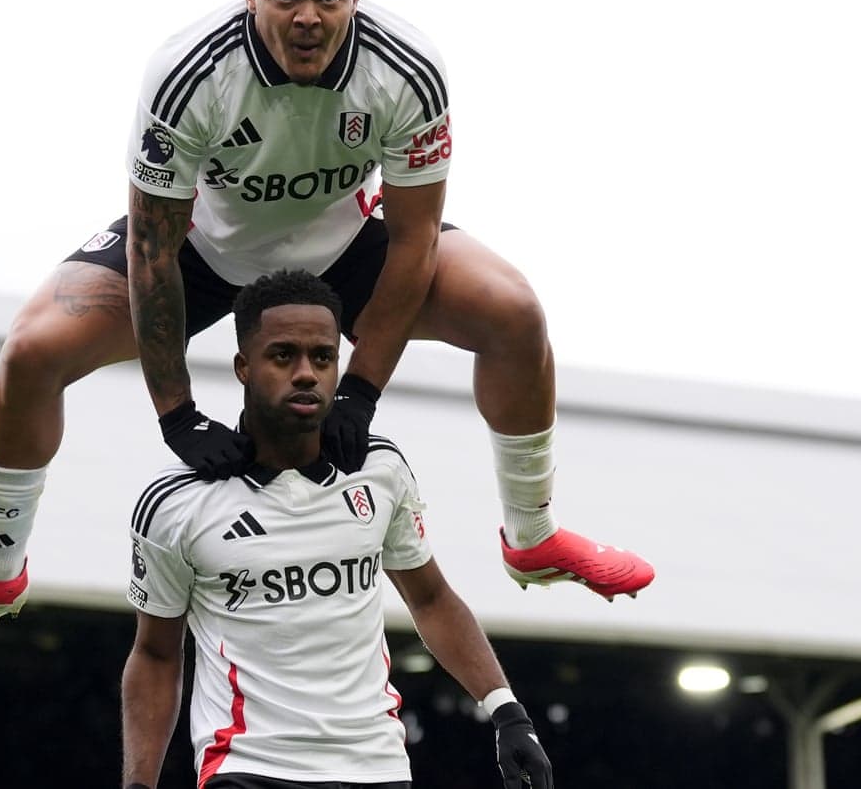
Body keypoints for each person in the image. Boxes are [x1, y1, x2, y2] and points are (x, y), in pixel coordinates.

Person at [0, 0, 652, 655]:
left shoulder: (407, 70)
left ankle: (533, 536)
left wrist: (361, 392)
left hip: (343, 247)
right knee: (30, 352)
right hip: (201, 250)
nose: (308, 17)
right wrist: (178, 415)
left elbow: (414, 240)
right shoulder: (189, 72)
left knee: (515, 313)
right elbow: (151, 250)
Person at [121, 268, 553, 789]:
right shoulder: (177, 501)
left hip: (377, 767)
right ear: (243, 366)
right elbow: (156, 653)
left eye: (323, 357)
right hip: (249, 767)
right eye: (284, 355)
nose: (306, 373)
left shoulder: (380, 469)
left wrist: (507, 712)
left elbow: (431, 599)